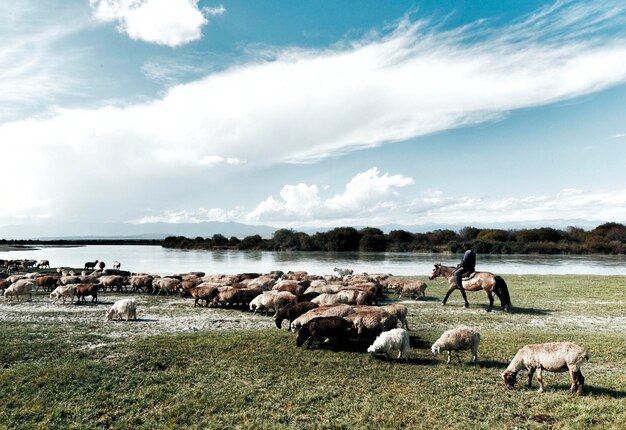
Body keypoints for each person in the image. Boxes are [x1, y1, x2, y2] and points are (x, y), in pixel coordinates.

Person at [453, 242, 476, 308]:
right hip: (472, 268)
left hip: (467, 268)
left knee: (456, 273)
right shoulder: (473, 252)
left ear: (466, 246)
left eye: (464, 247)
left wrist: (460, 265)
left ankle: (458, 285)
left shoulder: (467, 252)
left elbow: (464, 261)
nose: (463, 248)